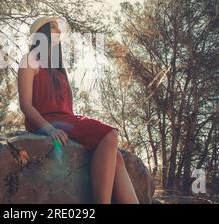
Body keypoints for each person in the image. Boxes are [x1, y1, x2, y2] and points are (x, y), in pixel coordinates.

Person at [17, 15, 139, 204]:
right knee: (110, 134)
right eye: (53, 27)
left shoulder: (59, 70)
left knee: (116, 158)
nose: (58, 31)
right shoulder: (30, 60)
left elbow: (67, 111)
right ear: (41, 34)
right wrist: (50, 128)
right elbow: (25, 104)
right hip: (46, 122)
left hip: (66, 121)